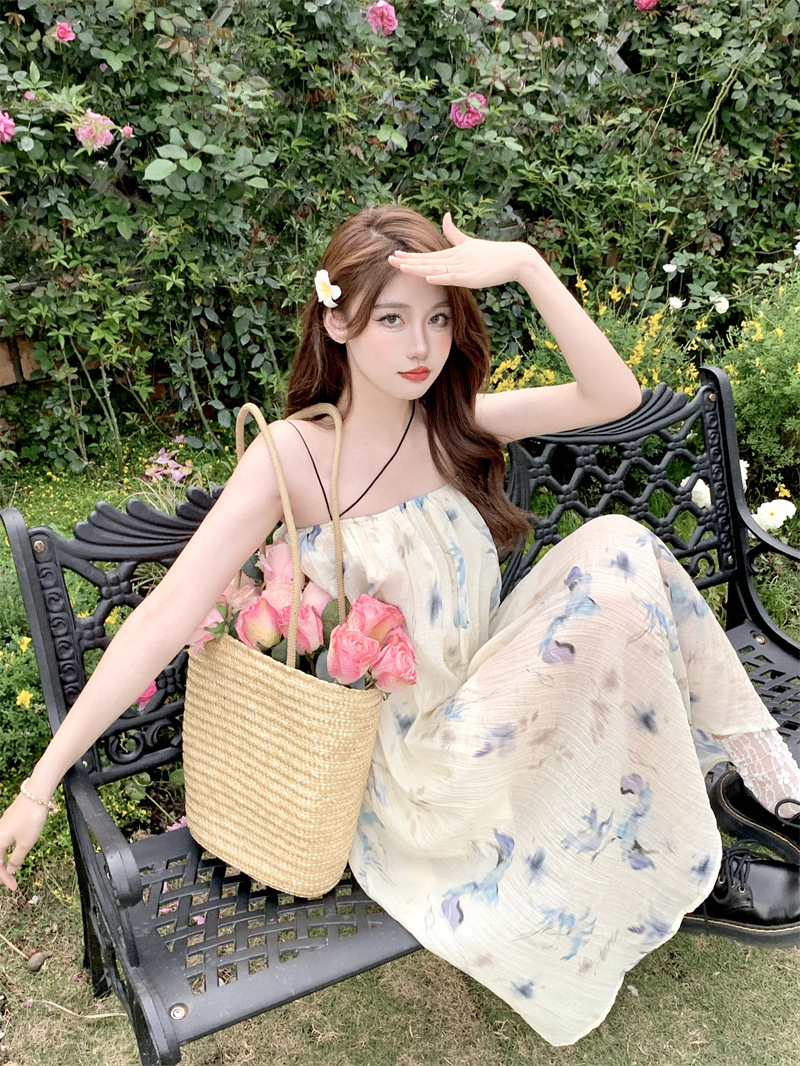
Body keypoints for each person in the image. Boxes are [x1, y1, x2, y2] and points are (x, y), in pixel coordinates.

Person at [2, 204, 800, 1046]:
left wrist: (526, 265)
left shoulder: (452, 426)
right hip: (418, 770)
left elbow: (614, 395)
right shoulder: (292, 458)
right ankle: (713, 829)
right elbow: (165, 614)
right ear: (337, 322)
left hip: (493, 695)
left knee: (620, 546)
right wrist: (36, 787)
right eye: (390, 320)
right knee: (614, 580)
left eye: (437, 320)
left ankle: (766, 787)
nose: (421, 347)